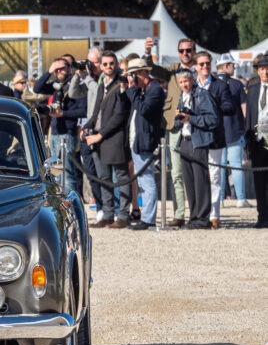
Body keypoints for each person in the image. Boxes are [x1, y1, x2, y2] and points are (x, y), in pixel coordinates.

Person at [143, 37, 198, 227]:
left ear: (194, 51)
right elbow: (153, 69)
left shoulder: (201, 68)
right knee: (176, 173)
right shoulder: (173, 69)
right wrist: (148, 53)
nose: (185, 54)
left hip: (197, 125)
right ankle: (179, 214)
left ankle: (199, 214)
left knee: (198, 172)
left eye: (189, 50)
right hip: (174, 126)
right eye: (182, 50)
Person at [80, 51, 131, 229]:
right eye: (106, 64)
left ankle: (123, 215)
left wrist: (100, 135)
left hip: (115, 137)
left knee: (122, 177)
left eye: (112, 63)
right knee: (103, 177)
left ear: (116, 64)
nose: (109, 67)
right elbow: (96, 112)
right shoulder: (103, 84)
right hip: (98, 136)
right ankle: (107, 214)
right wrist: (87, 126)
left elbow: (120, 115)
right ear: (100, 66)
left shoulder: (120, 84)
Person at [33, 58, 87, 194]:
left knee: (68, 175)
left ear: (70, 69)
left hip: (68, 133)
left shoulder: (76, 85)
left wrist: (63, 113)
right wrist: (49, 71)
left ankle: (72, 209)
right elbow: (36, 88)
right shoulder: (55, 85)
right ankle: (59, 206)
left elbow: (83, 110)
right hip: (55, 133)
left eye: (63, 68)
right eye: (57, 69)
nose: (60, 71)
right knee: (55, 174)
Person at [174, 69, 219, 229]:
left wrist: (191, 119)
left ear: (192, 79)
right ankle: (194, 217)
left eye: (186, 81)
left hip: (198, 141)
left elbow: (213, 119)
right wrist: (178, 118)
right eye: (180, 82)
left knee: (201, 181)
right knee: (189, 182)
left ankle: (202, 218)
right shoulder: (182, 96)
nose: (184, 85)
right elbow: (177, 123)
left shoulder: (202, 94)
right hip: (185, 141)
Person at [193, 51, 233, 228]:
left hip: (215, 136)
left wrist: (213, 108)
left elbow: (229, 106)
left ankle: (214, 215)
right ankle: (200, 213)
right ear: (195, 67)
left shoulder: (220, 86)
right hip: (196, 137)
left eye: (207, 64)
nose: (205, 67)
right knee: (199, 177)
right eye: (201, 64)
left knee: (215, 176)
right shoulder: (191, 85)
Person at [124, 59, 165, 230]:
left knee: (147, 181)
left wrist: (132, 89)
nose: (131, 79)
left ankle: (148, 219)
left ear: (142, 73)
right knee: (142, 181)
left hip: (145, 140)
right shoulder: (142, 90)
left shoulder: (155, 90)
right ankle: (147, 217)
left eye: (133, 75)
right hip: (137, 141)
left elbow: (145, 110)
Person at [69, 47, 105, 221]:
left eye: (94, 62)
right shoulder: (89, 80)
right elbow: (73, 93)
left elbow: (97, 90)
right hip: (86, 132)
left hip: (101, 132)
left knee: (102, 173)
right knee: (90, 172)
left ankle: (108, 208)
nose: (91, 65)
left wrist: (87, 76)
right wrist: (77, 74)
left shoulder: (104, 79)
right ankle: (99, 206)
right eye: (89, 62)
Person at [215, 53, 250, 208]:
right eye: (232, 65)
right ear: (226, 66)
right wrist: (247, 129)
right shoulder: (237, 84)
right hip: (235, 130)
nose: (234, 67)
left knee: (220, 167)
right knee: (236, 165)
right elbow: (245, 110)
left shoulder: (213, 84)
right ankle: (241, 199)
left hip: (218, 131)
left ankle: (220, 199)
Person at [244, 54, 268, 228]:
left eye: (267, 68)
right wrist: (248, 142)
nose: (265, 71)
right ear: (258, 71)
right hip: (257, 140)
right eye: (262, 69)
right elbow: (250, 116)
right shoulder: (252, 89)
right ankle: (262, 216)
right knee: (259, 181)